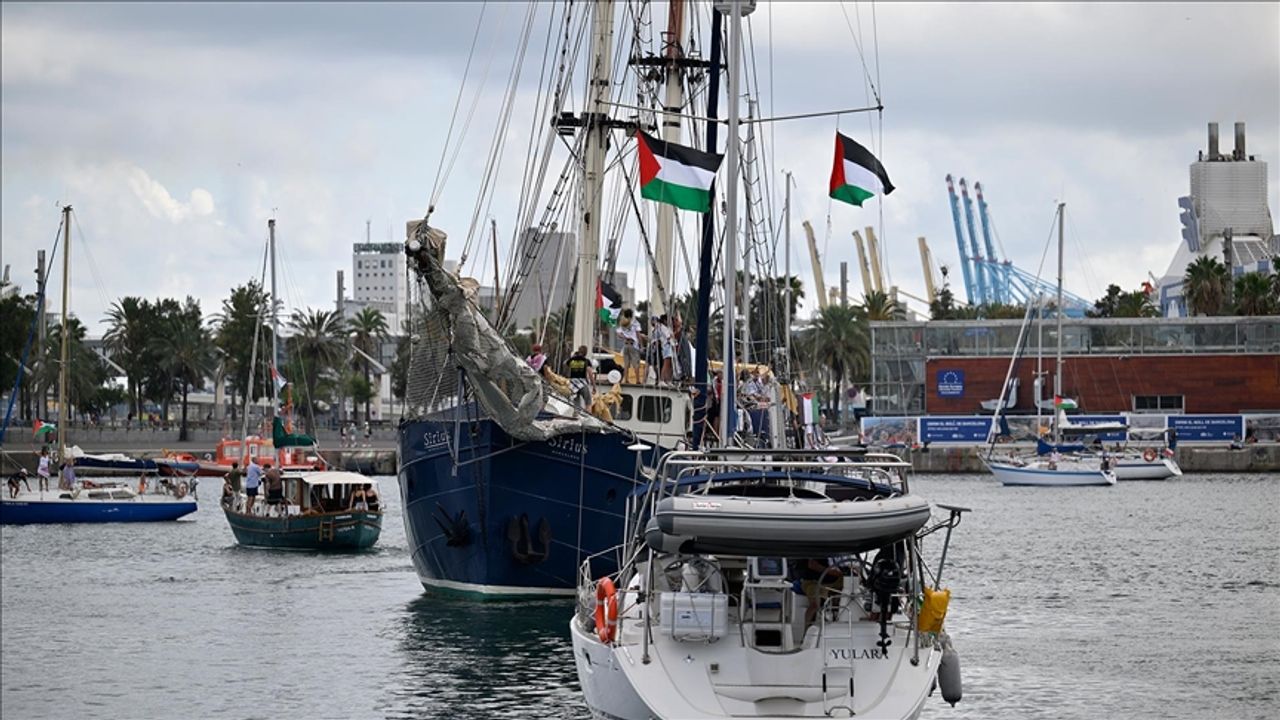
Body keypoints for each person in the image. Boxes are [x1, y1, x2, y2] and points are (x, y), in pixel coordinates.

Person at [800, 558, 844, 625]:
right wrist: (831, 571)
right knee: (815, 604)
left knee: (850, 583)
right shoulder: (817, 553)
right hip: (813, 582)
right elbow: (812, 565)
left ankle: (837, 619)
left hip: (833, 581)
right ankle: (807, 628)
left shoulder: (839, 555)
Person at [615, 311, 642, 384]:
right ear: (631, 315)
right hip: (633, 345)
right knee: (636, 363)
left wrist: (624, 337)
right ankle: (638, 380)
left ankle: (626, 379)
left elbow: (618, 334)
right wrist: (641, 345)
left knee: (626, 364)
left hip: (625, 345)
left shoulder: (623, 323)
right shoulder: (635, 323)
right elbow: (638, 334)